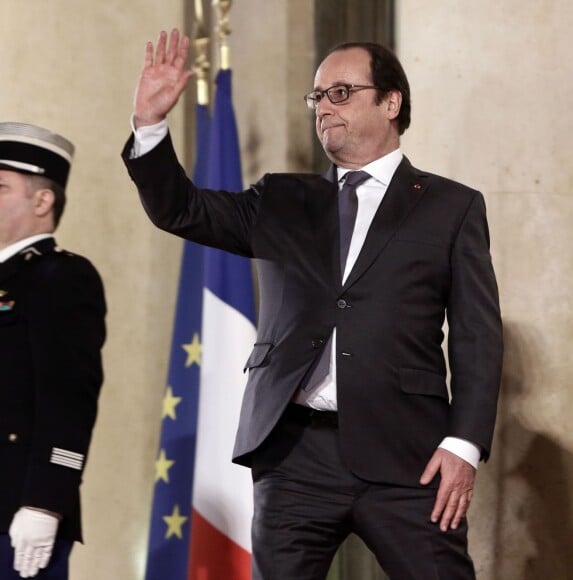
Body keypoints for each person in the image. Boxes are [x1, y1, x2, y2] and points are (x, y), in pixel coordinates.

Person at [123, 29, 502, 580]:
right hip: (294, 456)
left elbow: (477, 335)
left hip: (409, 456)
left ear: (391, 102)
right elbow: (181, 210)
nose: (323, 108)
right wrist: (150, 126)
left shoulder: (452, 206)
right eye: (318, 97)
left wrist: (464, 444)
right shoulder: (281, 199)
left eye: (341, 93)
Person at [0, 122, 107, 579]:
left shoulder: (59, 278)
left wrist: (46, 500)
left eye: (0, 187)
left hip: (14, 512)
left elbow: (69, 399)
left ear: (42, 201)